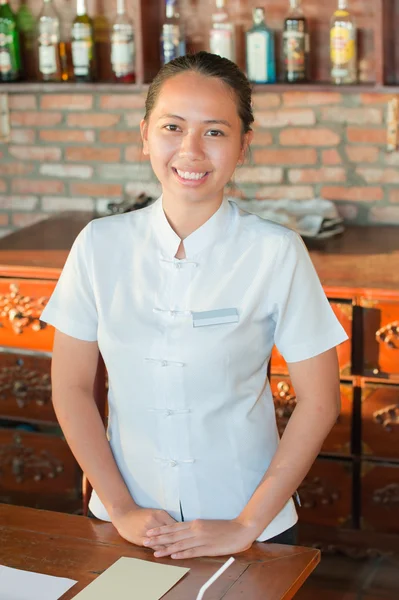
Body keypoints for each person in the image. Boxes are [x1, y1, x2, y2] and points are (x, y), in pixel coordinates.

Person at [40, 51, 348, 560]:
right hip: (128, 522)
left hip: (247, 521)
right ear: (145, 135)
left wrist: (246, 524)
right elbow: (71, 388)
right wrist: (119, 508)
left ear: (243, 145)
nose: (190, 150)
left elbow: (320, 402)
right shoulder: (98, 245)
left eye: (215, 132)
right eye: (172, 127)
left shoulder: (276, 251)